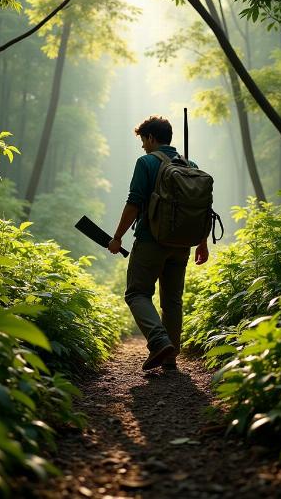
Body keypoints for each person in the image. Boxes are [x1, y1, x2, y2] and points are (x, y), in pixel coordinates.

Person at [108, 115, 209, 371]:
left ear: (151, 138)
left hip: (150, 240)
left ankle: (159, 340)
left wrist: (117, 236)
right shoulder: (190, 164)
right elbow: (201, 207)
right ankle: (170, 357)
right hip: (183, 243)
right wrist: (202, 242)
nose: (143, 146)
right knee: (172, 300)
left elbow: (134, 203)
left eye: (143, 140)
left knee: (137, 292)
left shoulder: (146, 162)